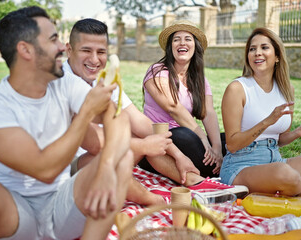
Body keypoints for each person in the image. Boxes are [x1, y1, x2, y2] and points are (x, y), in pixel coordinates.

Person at [0, 6, 134, 240]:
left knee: (121, 157)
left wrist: (106, 165)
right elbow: (44, 169)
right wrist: (86, 112)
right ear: (26, 50)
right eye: (53, 39)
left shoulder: (64, 84)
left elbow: (118, 118)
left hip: (61, 209)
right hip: (13, 217)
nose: (61, 47)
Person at [64, 18, 246, 197]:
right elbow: (95, 142)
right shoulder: (66, 84)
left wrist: (183, 154)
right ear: (69, 50)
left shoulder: (104, 80)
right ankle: (197, 181)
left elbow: (139, 122)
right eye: (86, 50)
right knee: (159, 139)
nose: (95, 60)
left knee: (223, 142)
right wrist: (148, 146)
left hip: (114, 155)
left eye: (101, 52)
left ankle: (203, 178)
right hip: (74, 165)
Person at [220, 27, 301, 200]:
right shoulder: (237, 89)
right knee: (287, 175)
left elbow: (277, 139)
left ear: (277, 56)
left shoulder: (286, 90)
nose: (257, 53)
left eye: (264, 47)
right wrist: (267, 121)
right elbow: (232, 144)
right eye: (252, 49)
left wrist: (297, 133)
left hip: (275, 160)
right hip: (241, 166)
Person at [141, 19, 224, 179]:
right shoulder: (157, 72)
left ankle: (219, 165)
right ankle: (218, 170)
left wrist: (217, 148)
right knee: (184, 135)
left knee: (226, 141)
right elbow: (173, 107)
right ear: (170, 47)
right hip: (162, 142)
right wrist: (202, 137)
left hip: (189, 138)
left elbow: (209, 113)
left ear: (195, 46)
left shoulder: (199, 79)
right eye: (176, 39)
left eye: (187, 39)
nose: (182, 43)